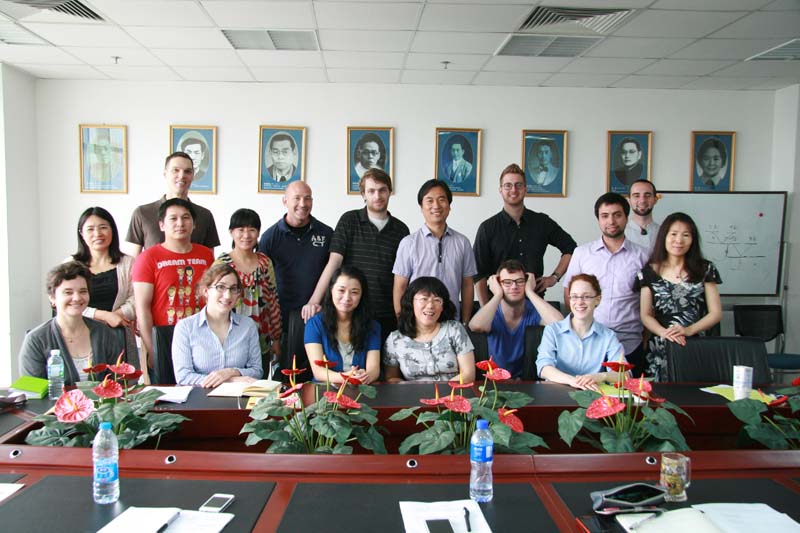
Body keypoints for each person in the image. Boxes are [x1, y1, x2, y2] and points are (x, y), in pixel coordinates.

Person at [302, 169, 409, 347]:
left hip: (387, 314)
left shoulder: (401, 230)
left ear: (390, 192)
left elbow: (403, 277)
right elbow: (334, 263)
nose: (377, 196)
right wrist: (314, 301)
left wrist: (403, 317)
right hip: (352, 312)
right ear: (363, 194)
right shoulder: (349, 220)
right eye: (371, 191)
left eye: (382, 190)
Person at [562, 192, 649, 374]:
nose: (611, 221)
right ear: (598, 219)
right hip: (589, 344)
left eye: (617, 215)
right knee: (587, 391)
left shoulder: (643, 255)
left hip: (629, 343)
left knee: (628, 391)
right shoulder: (582, 254)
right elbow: (569, 294)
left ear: (626, 218)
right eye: (605, 216)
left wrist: (646, 338)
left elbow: (649, 302)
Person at [636, 212, 722, 381]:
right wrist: (664, 333)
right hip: (660, 347)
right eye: (673, 234)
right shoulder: (648, 272)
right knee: (659, 395)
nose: (679, 240)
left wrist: (689, 330)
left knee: (695, 393)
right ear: (664, 237)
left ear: (693, 239)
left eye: (686, 235)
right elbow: (645, 314)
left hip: (696, 346)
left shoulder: (705, 269)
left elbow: (716, 313)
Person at [473, 164, 576, 304]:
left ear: (525, 189)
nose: (513, 190)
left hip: (535, 304)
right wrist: (486, 310)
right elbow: (478, 274)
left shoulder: (542, 222)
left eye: (518, 185)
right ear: (500, 190)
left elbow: (571, 248)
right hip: (499, 306)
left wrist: (554, 278)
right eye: (508, 185)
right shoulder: (487, 228)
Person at [132, 198, 214, 367]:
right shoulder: (148, 258)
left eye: (185, 218)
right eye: (173, 218)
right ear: (161, 225)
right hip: (165, 336)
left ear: (194, 224)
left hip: (201, 336)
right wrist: (151, 348)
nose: (180, 223)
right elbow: (142, 307)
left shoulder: (206, 255)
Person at [259, 181, 333, 364]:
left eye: (307, 199)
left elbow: (334, 275)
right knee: (288, 373)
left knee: (320, 371)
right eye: (297, 198)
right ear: (285, 201)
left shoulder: (326, 233)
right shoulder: (270, 238)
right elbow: (263, 283)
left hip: (319, 316)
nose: (303, 204)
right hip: (284, 321)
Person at [19, 262, 125, 386]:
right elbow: (33, 392)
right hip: (54, 400)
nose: (77, 298)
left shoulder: (105, 334)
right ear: (52, 298)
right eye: (68, 292)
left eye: (83, 291)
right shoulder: (35, 340)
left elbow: (119, 384)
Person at [393, 179, 476, 322]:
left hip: (451, 322)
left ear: (449, 206)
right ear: (421, 207)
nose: (436, 206)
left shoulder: (462, 242)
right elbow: (400, 287)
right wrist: (403, 323)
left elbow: (467, 285)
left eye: (441, 199)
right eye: (429, 201)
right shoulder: (408, 243)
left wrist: (465, 322)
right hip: (417, 323)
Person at [468, 259, 563, 378]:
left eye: (520, 281)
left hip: (527, 381)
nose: (514, 286)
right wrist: (497, 294)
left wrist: (530, 292)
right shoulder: (491, 311)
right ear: (498, 284)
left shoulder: (534, 310)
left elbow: (559, 324)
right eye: (507, 282)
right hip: (494, 381)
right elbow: (475, 326)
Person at [172, 263, 263, 387]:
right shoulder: (185, 327)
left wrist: (231, 372)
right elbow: (183, 376)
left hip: (238, 396)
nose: (228, 295)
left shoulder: (248, 326)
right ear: (206, 291)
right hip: (199, 396)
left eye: (233, 289)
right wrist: (229, 380)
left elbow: (257, 371)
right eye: (221, 287)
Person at [537, 274, 626, 390]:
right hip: (557, 393)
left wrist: (599, 376)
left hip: (593, 393)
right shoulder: (552, 330)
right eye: (574, 297)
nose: (579, 302)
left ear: (598, 299)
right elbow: (544, 368)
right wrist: (573, 381)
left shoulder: (608, 336)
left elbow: (624, 374)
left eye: (586, 297)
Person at [215, 209, 282, 361]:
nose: (246, 235)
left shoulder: (265, 262)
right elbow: (214, 305)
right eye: (241, 230)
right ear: (231, 232)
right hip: (229, 341)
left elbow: (273, 301)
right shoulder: (222, 264)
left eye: (252, 230)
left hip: (261, 340)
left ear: (258, 233)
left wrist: (276, 338)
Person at [125, 152, 220, 256]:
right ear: (165, 174)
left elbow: (210, 260)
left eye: (187, 171)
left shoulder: (205, 215)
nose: (182, 175)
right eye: (175, 170)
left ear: (193, 176)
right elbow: (135, 259)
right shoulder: (142, 213)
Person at [384, 277, 476, 383]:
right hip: (413, 393)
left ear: (443, 307)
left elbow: (468, 374)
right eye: (424, 299)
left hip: (452, 392)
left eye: (437, 300)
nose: (430, 306)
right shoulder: (395, 339)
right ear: (411, 302)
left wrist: (441, 391)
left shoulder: (454, 329)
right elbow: (391, 378)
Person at [304, 266, 381, 385]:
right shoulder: (314, 324)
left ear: (362, 295)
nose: (347, 298)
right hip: (325, 389)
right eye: (341, 290)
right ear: (331, 290)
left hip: (360, 389)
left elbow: (374, 370)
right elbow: (318, 372)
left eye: (354, 292)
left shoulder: (372, 326)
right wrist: (346, 377)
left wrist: (365, 376)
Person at [70, 207, 135, 330]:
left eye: (103, 227)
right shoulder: (70, 265)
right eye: (90, 229)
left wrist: (117, 316)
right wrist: (104, 316)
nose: (97, 234)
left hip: (118, 330)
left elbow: (137, 298)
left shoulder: (129, 263)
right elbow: (66, 302)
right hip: (79, 331)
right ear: (81, 233)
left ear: (112, 230)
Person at [624, 179, 661, 253]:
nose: (642, 200)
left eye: (647, 195)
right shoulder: (621, 233)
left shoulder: (664, 232)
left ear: (655, 200)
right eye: (636, 196)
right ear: (629, 200)